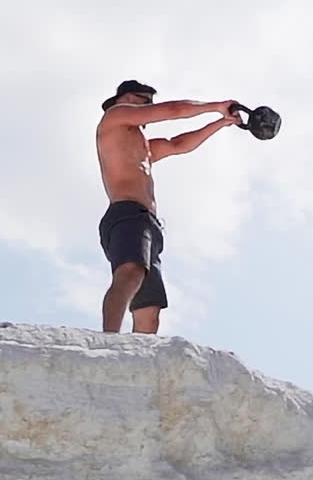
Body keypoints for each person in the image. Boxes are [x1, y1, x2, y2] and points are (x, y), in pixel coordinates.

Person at [96, 80, 239, 334]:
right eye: (144, 101)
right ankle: (109, 339)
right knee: (130, 273)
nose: (149, 108)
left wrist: (222, 122)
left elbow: (178, 144)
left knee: (149, 310)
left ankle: (135, 366)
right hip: (126, 213)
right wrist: (217, 106)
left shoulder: (142, 147)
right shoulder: (115, 117)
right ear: (125, 97)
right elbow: (172, 110)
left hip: (147, 222)